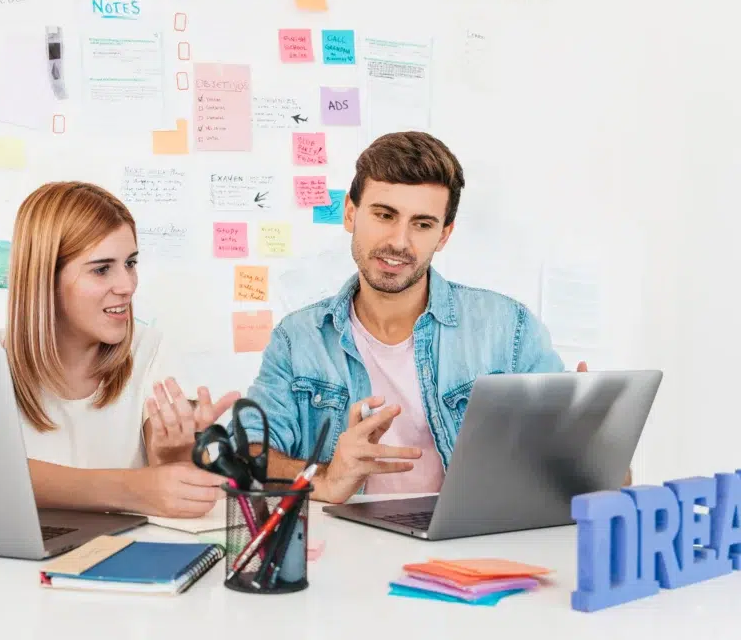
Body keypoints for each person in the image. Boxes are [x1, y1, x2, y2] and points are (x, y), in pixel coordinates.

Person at [228, 131, 626, 504]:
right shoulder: (298, 339)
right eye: (384, 215)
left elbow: (595, 478)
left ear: (445, 234)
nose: (399, 242)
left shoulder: (508, 328)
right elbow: (246, 454)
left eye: (422, 224)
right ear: (350, 213)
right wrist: (328, 479)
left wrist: (596, 452)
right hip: (345, 557)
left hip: (470, 554)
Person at [0, 181, 239, 518]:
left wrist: (174, 455)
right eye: (102, 269)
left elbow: (167, 487)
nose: (127, 286)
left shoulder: (150, 350)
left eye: (130, 263)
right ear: (45, 278)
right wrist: (132, 488)